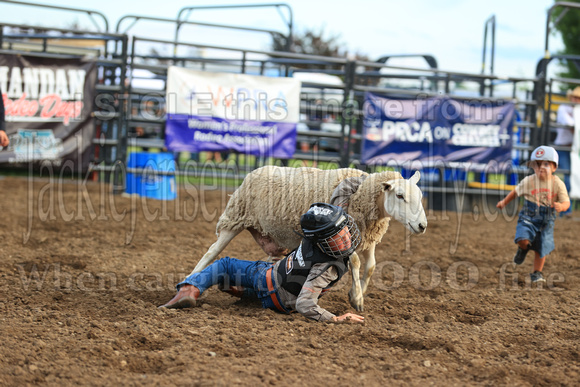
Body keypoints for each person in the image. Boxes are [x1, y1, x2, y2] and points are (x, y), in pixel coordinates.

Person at [159, 202, 365, 323]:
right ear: (322, 240)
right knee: (241, 274)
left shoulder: (317, 243)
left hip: (269, 280)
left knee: (225, 265)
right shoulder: (328, 263)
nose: (346, 237)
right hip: (278, 298)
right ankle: (241, 292)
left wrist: (334, 319)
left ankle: (190, 290)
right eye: (338, 236)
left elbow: (304, 303)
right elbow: (304, 301)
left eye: (345, 230)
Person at [496, 146, 570, 283]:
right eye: (537, 164)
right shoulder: (529, 181)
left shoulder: (558, 184)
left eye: (546, 164)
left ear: (554, 168)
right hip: (528, 215)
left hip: (547, 218)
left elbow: (566, 202)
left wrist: (562, 206)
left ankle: (537, 273)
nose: (541, 167)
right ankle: (523, 248)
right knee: (522, 239)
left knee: (542, 246)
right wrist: (504, 202)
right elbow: (516, 192)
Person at [554, 86, 580, 217]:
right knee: (568, 179)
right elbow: (572, 126)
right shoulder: (564, 108)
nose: (576, 100)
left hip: (575, 149)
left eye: (579, 98)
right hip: (564, 148)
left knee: (571, 178)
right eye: (574, 97)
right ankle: (566, 210)